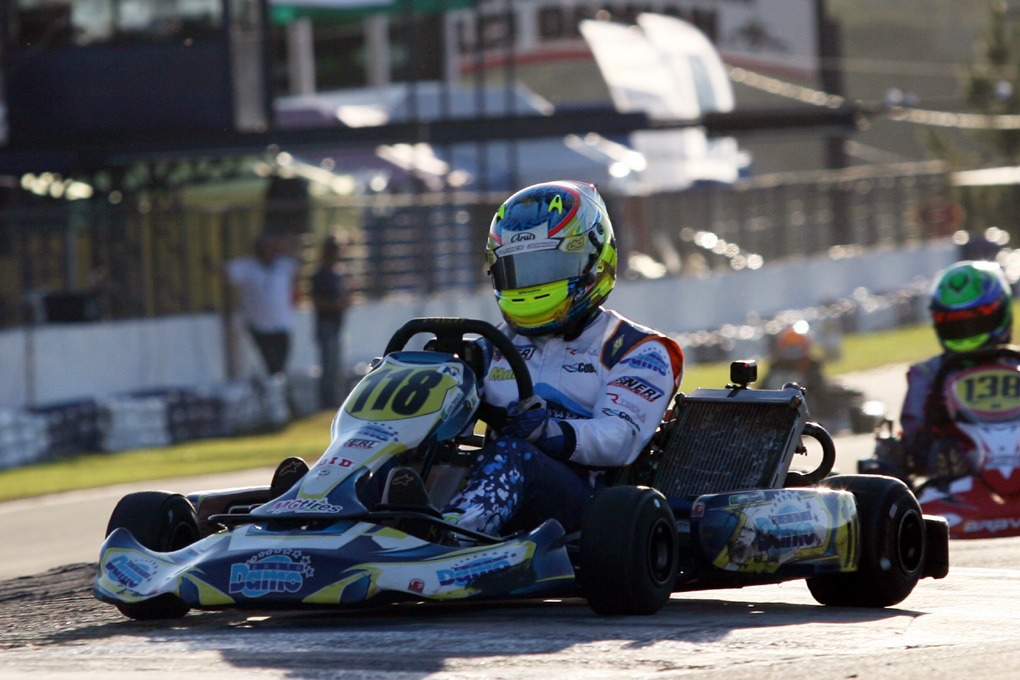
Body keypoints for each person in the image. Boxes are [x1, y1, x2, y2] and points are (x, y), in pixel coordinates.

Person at [430, 180, 685, 538]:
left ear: (593, 261)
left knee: (515, 451)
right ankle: (360, 520)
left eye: (547, 267)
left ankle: (449, 539)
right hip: (503, 489)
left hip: (592, 505)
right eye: (519, 269)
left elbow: (621, 437)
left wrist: (549, 431)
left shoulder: (636, 350)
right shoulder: (491, 347)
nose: (531, 283)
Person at [900, 260, 1015, 476]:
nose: (966, 330)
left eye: (977, 319)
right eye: (953, 321)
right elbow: (914, 438)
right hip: (956, 477)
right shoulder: (927, 374)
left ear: (1000, 310)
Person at [225, 234, 299, 375]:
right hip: (259, 325)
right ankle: (273, 384)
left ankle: (278, 385)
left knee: (282, 361)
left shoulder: (284, 265)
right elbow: (225, 270)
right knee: (270, 361)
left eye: (270, 248)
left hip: (282, 324)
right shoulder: (247, 267)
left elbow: (296, 255)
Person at [309, 235, 350, 409]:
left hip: (338, 324)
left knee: (335, 366)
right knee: (328, 366)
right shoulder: (320, 274)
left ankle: (335, 401)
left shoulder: (338, 272)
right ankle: (327, 403)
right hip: (326, 324)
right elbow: (316, 300)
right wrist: (336, 305)